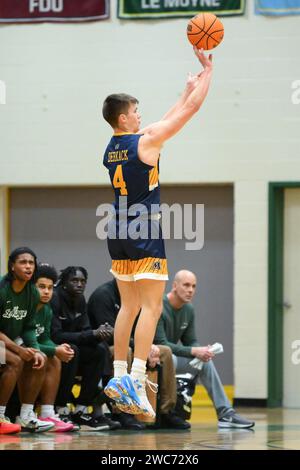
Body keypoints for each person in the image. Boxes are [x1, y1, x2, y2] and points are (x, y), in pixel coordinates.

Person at [102, 47, 213, 418]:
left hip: (116, 227)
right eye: (135, 111)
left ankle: (118, 375)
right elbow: (189, 114)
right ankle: (135, 378)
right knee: (150, 306)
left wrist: (184, 90)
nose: (140, 115)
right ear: (123, 116)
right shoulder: (146, 143)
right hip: (143, 228)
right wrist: (208, 72)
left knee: (128, 306)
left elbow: (161, 125)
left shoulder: (114, 146)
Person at [154, 270, 255, 429]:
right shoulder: (158, 305)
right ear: (174, 286)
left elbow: (190, 341)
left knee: (205, 362)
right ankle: (167, 411)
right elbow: (162, 343)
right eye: (186, 285)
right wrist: (194, 351)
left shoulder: (189, 309)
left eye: (194, 286)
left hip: (172, 357)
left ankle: (225, 414)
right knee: (170, 358)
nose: (190, 290)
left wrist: (202, 350)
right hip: (155, 358)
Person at [88, 279, 190, 429]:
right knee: (127, 351)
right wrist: (142, 347)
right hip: (105, 347)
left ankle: (167, 411)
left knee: (165, 352)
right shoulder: (103, 295)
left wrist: (150, 347)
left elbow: (142, 327)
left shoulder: (140, 294)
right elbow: (109, 333)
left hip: (133, 343)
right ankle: (122, 410)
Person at [50, 266, 120, 431]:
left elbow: (85, 330)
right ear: (64, 283)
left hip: (76, 348)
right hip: (57, 348)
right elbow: (56, 335)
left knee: (99, 350)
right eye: (74, 281)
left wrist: (100, 333)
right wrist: (91, 334)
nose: (79, 285)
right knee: (72, 349)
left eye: (82, 281)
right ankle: (61, 408)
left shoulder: (81, 300)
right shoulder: (55, 298)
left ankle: (82, 408)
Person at [0, 247, 54, 433]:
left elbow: (29, 326)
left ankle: (26, 415)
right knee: (15, 360)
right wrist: (19, 349)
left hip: (8, 341)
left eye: (31, 263)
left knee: (39, 358)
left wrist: (35, 349)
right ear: (12, 266)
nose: (28, 266)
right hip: (2, 340)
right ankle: (0, 416)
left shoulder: (32, 292)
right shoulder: (2, 289)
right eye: (23, 262)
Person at [34, 263, 75, 432]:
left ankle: (47, 413)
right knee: (42, 356)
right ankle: (22, 413)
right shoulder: (27, 307)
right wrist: (53, 350)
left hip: (28, 348)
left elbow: (44, 338)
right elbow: (24, 341)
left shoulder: (46, 310)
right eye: (41, 287)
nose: (46, 292)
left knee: (55, 359)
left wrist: (58, 348)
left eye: (50, 288)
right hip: (13, 347)